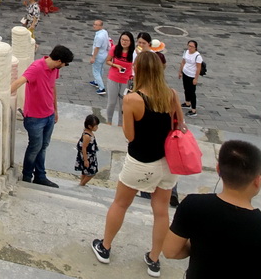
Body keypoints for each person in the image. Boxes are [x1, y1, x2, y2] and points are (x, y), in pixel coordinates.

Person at [91, 51, 185, 277]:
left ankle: (105, 247)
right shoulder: (171, 95)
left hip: (141, 161)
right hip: (167, 163)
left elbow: (130, 136)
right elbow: (180, 125)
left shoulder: (133, 99)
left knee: (121, 204)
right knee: (161, 211)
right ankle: (154, 260)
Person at [164, 140, 261, 278]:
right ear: (258, 180)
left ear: (218, 169)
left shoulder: (192, 205)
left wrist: (200, 246)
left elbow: (170, 252)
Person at [10, 44, 73, 187]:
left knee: (43, 146)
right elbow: (20, 81)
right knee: (35, 147)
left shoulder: (53, 70)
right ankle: (27, 176)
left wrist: (55, 110)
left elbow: (52, 88)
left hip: (49, 115)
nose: (64, 66)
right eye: (65, 63)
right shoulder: (36, 67)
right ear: (59, 61)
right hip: (34, 117)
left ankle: (40, 176)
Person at [104, 31, 134, 125]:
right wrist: (115, 65)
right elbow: (107, 61)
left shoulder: (133, 53)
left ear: (131, 42)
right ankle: (109, 120)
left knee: (123, 103)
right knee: (111, 102)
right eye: (122, 39)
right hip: (113, 78)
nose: (124, 42)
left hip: (126, 80)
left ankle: (121, 123)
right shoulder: (115, 49)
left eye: (126, 40)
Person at [180, 40, 204, 116]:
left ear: (195, 47)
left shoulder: (197, 56)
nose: (189, 48)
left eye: (191, 46)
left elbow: (198, 68)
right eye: (189, 46)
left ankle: (193, 110)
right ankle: (187, 103)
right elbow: (183, 62)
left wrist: (196, 79)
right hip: (185, 73)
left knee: (192, 92)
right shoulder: (186, 52)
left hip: (192, 75)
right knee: (186, 89)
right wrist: (180, 71)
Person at [76, 114, 100, 186]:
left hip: (90, 155)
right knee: (92, 172)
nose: (97, 128)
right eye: (96, 126)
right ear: (90, 126)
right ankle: (83, 183)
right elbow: (84, 147)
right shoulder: (87, 136)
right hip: (88, 156)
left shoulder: (88, 132)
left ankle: (81, 182)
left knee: (85, 171)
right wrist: (86, 160)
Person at [89, 19, 110, 95]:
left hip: (99, 55)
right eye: (94, 24)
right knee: (100, 69)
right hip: (104, 54)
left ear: (101, 26)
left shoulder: (99, 37)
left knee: (96, 71)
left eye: (96, 25)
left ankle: (101, 88)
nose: (94, 26)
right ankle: (96, 82)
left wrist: (93, 57)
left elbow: (97, 48)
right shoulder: (104, 32)